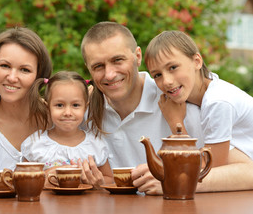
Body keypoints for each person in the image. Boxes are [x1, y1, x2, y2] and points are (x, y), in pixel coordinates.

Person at [79, 21, 203, 193]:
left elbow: (216, 170)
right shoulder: (81, 112)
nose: (109, 74)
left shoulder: (176, 101)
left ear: (137, 57)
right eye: (98, 66)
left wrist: (172, 179)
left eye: (118, 60)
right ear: (88, 69)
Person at [144, 30, 253, 192]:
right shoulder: (204, 91)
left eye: (173, 67)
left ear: (197, 61)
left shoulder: (217, 101)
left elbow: (207, 169)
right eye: (157, 75)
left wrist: (176, 122)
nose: (166, 81)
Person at [0, 27, 52, 187]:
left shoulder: (56, 119)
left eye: (24, 70)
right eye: (5, 66)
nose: (12, 77)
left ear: (39, 76)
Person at [21, 71, 113, 187]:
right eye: (59, 105)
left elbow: (109, 178)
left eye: (75, 105)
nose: (68, 113)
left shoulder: (95, 145)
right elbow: (22, 181)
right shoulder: (36, 144)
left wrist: (96, 182)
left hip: (87, 204)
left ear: (85, 107)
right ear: (47, 107)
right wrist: (47, 177)